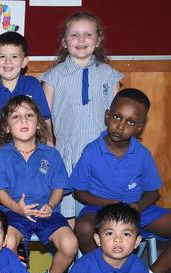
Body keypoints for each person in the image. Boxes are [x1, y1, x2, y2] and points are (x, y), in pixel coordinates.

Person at [70, 88, 171, 273]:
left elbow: (153, 192)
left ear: (140, 128)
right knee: (83, 228)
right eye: (117, 117)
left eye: (130, 123)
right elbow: (79, 192)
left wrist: (138, 207)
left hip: (135, 209)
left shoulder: (141, 154)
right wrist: (110, 203)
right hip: (100, 208)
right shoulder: (91, 151)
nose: (120, 126)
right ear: (107, 116)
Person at [0, 95, 78, 273]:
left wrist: (50, 204)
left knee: (70, 244)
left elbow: (59, 186)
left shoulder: (52, 154)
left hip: (47, 213)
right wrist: (16, 207)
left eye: (29, 115)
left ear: (38, 123)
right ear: (7, 127)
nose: (23, 121)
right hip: (14, 213)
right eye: (16, 117)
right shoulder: (1, 157)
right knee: (7, 243)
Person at [41, 11, 123, 219]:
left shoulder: (109, 74)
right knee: (67, 209)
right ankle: (70, 249)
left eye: (88, 34)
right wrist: (49, 146)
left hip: (102, 152)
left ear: (98, 40)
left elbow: (119, 115)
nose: (81, 40)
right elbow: (44, 117)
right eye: (74, 35)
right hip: (65, 151)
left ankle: (94, 250)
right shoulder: (53, 76)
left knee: (100, 211)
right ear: (65, 42)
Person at [0, 31, 51, 155]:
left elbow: (45, 120)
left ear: (24, 61)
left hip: (35, 153)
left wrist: (51, 151)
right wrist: (1, 160)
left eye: (14, 56)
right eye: (2, 57)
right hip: (3, 154)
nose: (8, 62)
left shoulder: (33, 85)